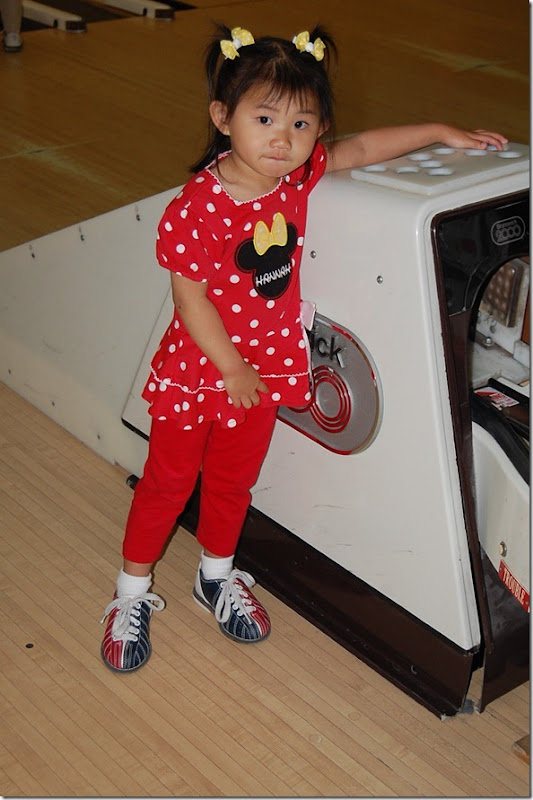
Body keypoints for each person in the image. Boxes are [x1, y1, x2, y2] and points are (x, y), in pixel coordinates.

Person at [100, 24, 508, 672]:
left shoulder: (296, 177)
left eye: (301, 123)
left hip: (261, 372)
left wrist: (439, 130)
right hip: (202, 373)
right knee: (168, 482)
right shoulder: (196, 207)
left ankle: (214, 576)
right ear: (222, 118)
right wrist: (231, 368)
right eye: (264, 119)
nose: (282, 140)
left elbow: (364, 148)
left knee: (233, 482)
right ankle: (130, 593)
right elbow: (190, 301)